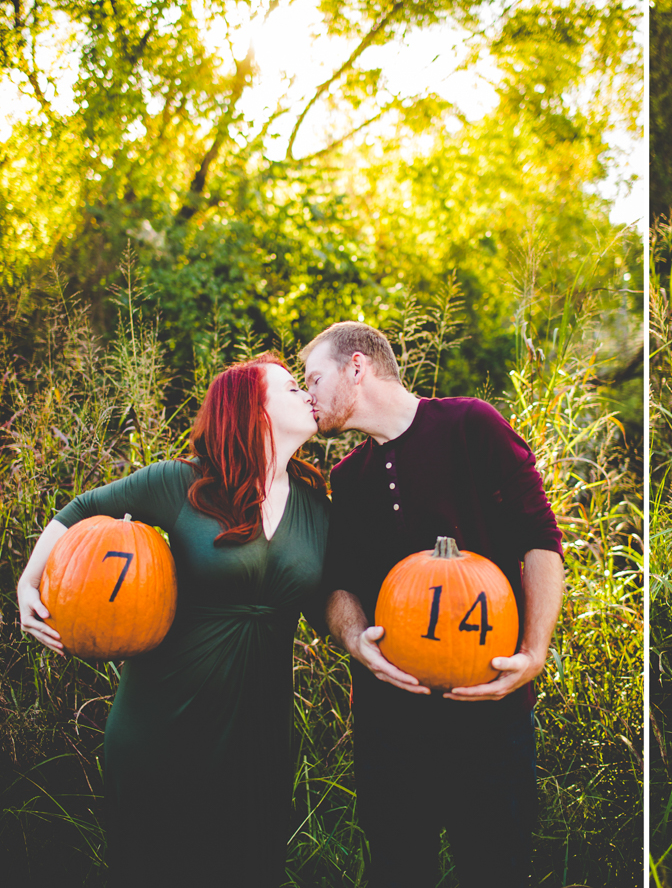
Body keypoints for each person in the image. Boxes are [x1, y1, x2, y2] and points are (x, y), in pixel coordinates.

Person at [17, 354, 330, 888]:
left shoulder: (317, 506)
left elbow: (331, 604)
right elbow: (80, 510)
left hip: (259, 735)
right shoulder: (179, 485)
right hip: (163, 726)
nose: (306, 394)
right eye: (289, 386)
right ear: (253, 410)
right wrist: (28, 583)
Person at [301, 321, 564, 888]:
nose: (308, 396)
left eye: (314, 378)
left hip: (491, 711)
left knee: (497, 870)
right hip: (390, 726)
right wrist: (354, 640)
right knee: (396, 870)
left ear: (356, 367)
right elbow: (337, 585)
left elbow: (541, 539)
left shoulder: (472, 425)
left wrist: (535, 652)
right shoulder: (346, 478)